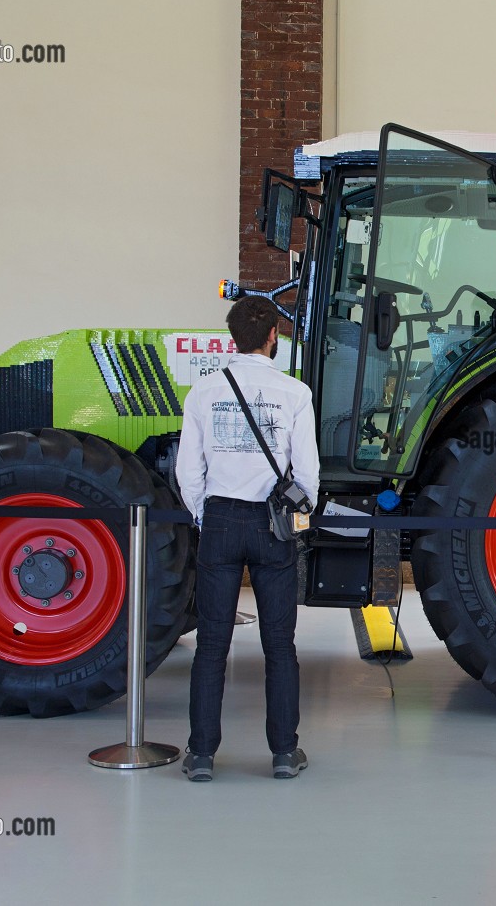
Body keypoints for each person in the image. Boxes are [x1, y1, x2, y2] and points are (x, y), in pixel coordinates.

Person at [176, 296, 320, 781]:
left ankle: (200, 755)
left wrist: (204, 514)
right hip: (271, 525)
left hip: (218, 519)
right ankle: (284, 753)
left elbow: (187, 472)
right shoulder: (295, 393)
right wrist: (298, 517)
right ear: (274, 336)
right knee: (280, 646)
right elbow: (308, 473)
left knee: (212, 645)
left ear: (231, 338)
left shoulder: (201, 393)